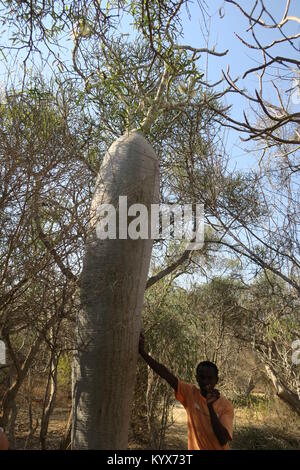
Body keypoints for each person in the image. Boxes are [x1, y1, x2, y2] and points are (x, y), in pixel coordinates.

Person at [138, 333, 234, 450]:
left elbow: (223, 439)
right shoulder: (190, 393)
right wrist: (142, 353)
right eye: (202, 377)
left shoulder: (226, 406)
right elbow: (165, 374)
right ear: (197, 378)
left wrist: (210, 407)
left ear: (216, 380)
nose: (205, 381)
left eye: (210, 378)